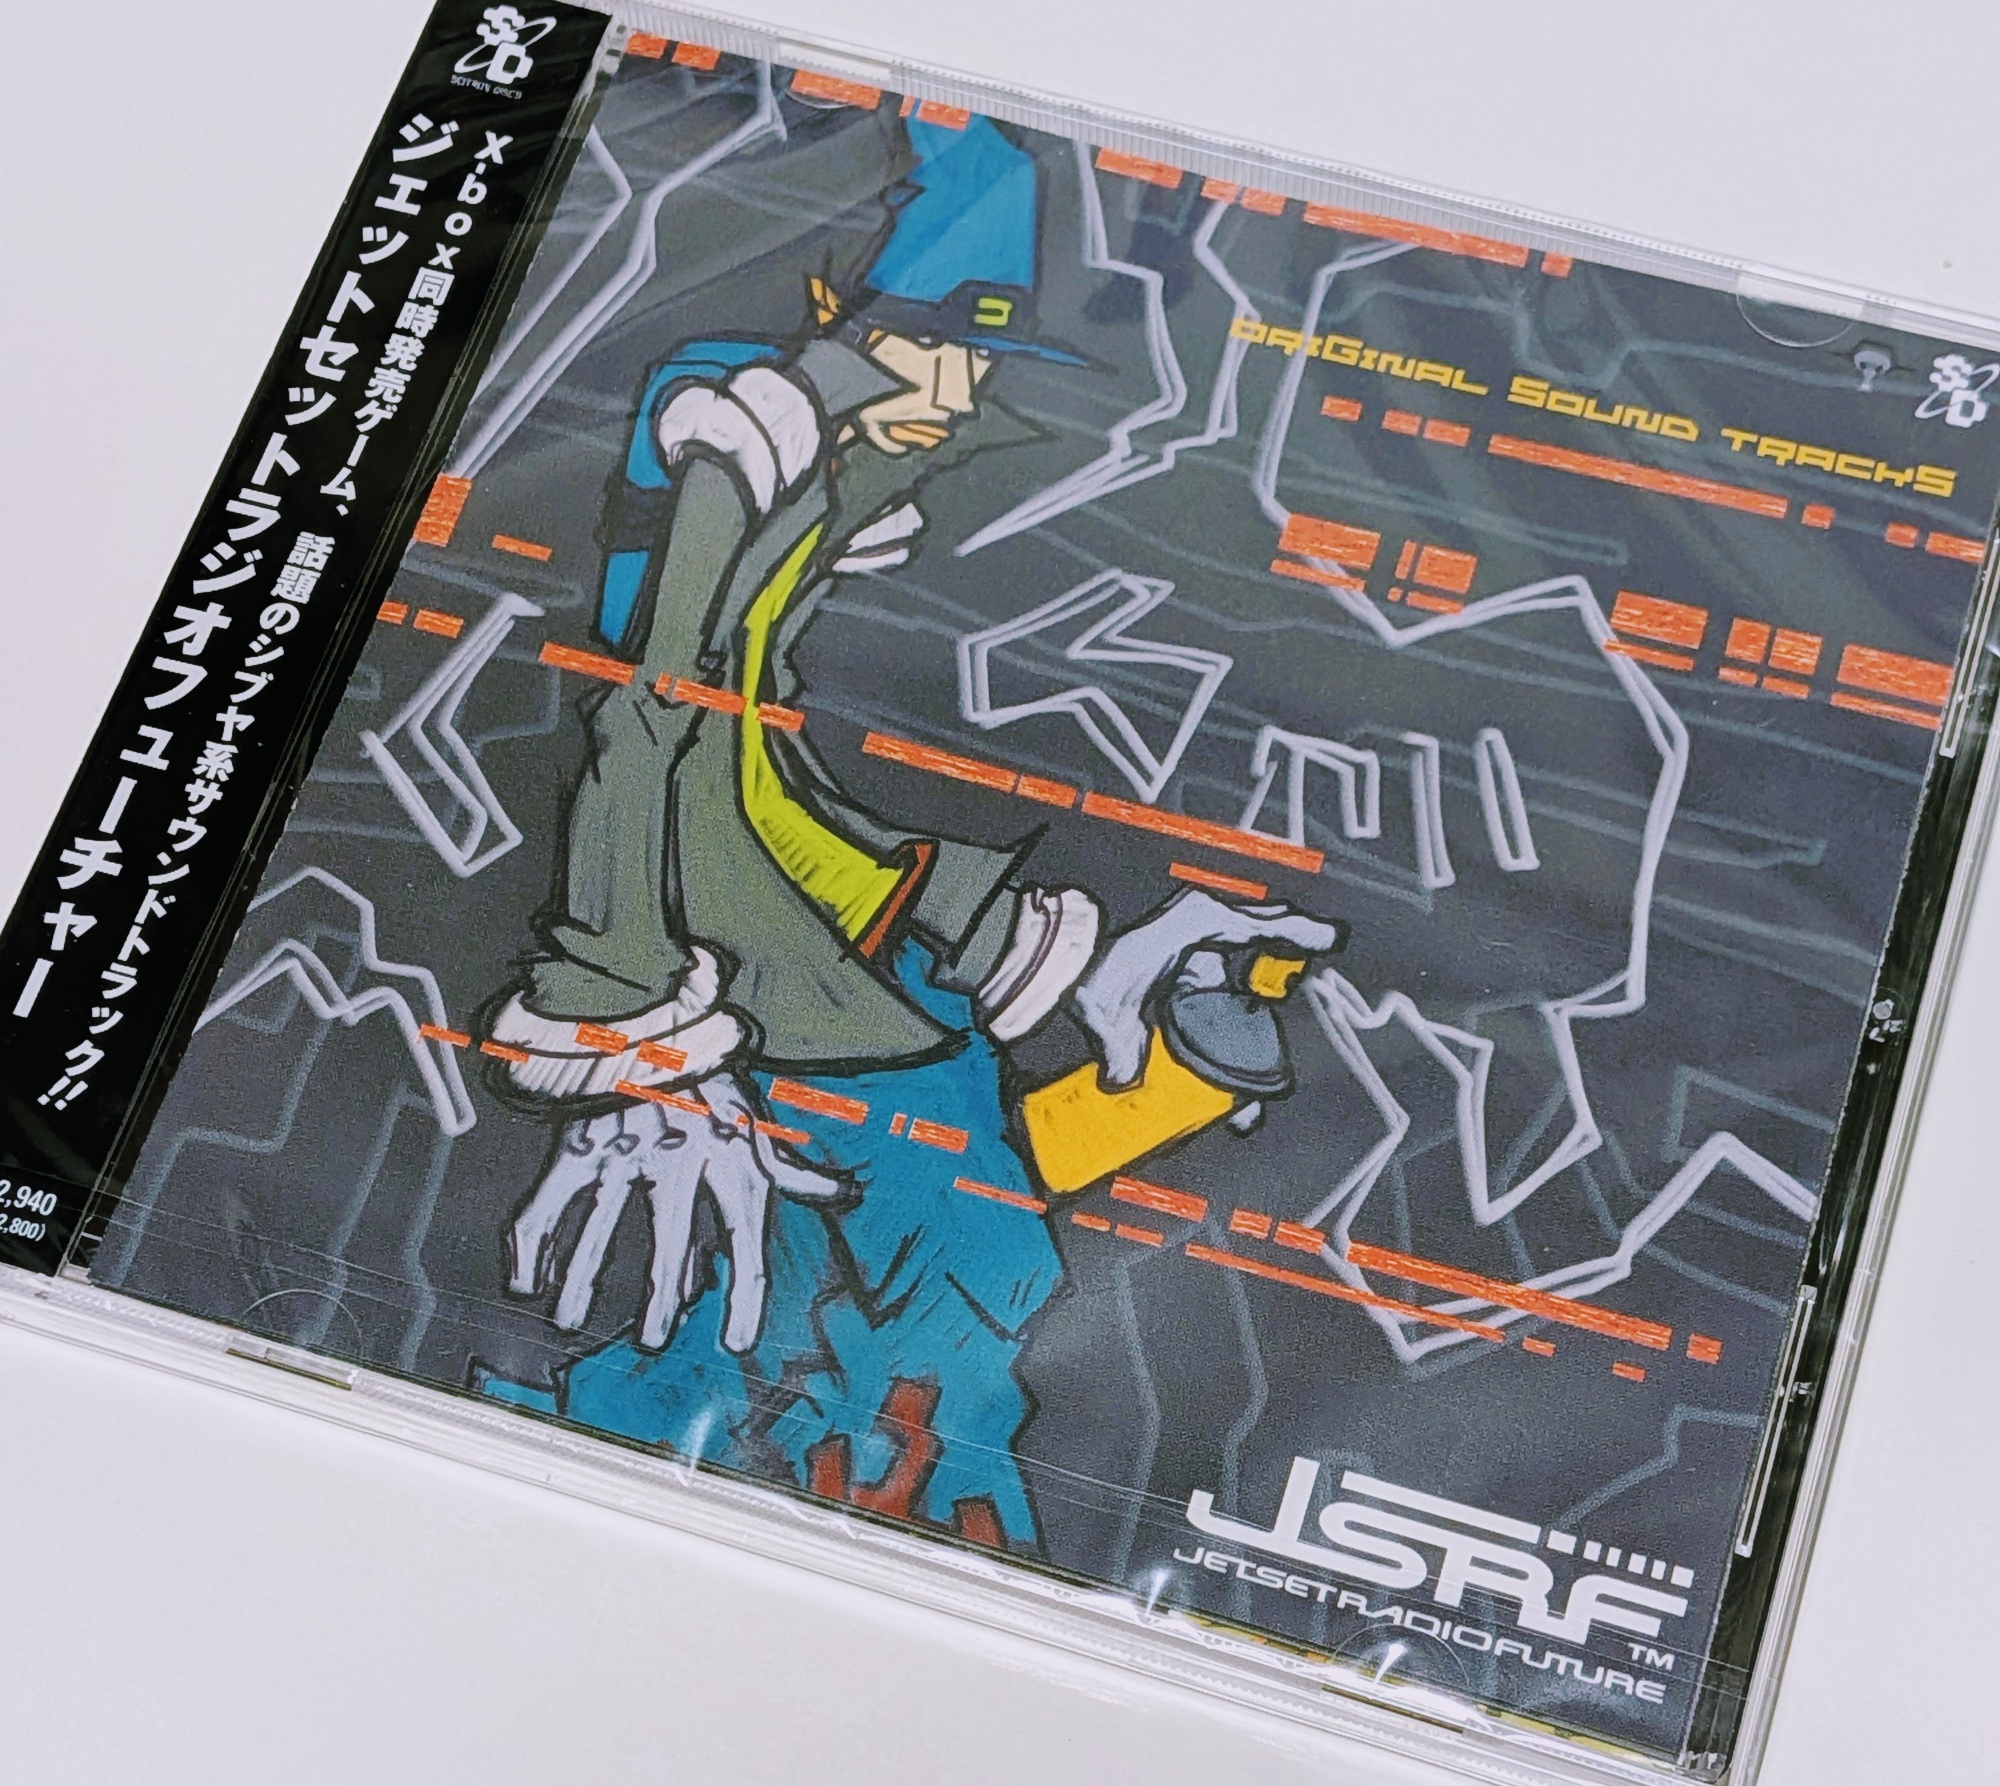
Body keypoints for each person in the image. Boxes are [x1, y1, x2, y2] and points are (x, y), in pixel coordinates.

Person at [480, 114, 1336, 1548]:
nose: (951, 390)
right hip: (765, 1022)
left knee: (883, 1275)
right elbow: (652, 720)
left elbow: (770, 800)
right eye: (918, 343)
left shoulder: (813, 481)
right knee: (847, 1300)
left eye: (974, 357)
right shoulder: (736, 465)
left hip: (838, 1000)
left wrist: (1095, 988)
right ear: (832, 305)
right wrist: (618, 1005)